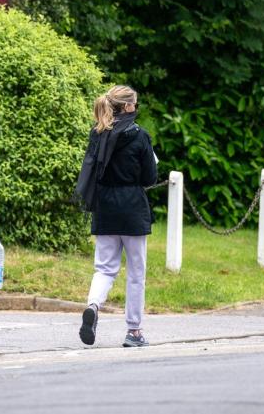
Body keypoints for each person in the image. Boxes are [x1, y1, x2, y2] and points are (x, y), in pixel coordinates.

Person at [75, 85, 157, 348]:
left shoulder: (98, 134)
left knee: (105, 268)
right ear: (129, 107)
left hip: (105, 207)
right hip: (133, 208)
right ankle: (134, 331)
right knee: (136, 272)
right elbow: (149, 177)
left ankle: (93, 306)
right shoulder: (140, 136)